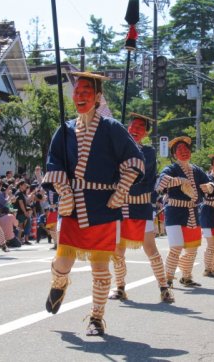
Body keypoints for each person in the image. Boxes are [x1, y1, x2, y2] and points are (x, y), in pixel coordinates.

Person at [42, 72, 145, 336]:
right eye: (77, 91)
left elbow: (133, 160)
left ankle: (97, 317)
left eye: (86, 91)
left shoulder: (112, 128)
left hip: (103, 205)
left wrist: (121, 189)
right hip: (74, 204)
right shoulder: (64, 130)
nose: (80, 95)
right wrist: (63, 189)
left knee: (100, 268)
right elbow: (54, 163)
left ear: (98, 97)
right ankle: (59, 283)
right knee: (63, 261)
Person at [109, 113, 174, 303]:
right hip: (120, 204)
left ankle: (164, 287)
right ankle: (120, 286)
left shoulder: (147, 152)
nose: (135, 130)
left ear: (145, 133)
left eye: (140, 128)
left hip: (141, 204)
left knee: (150, 248)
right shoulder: (116, 149)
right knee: (118, 250)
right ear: (127, 127)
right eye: (133, 126)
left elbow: (145, 177)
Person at [156, 136, 214, 288]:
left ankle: (186, 276)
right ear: (174, 154)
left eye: (186, 149)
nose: (184, 152)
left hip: (193, 212)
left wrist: (210, 187)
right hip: (175, 212)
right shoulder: (171, 168)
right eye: (179, 150)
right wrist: (179, 181)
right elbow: (160, 183)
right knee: (176, 247)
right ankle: (168, 279)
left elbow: (211, 185)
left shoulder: (197, 170)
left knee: (192, 249)